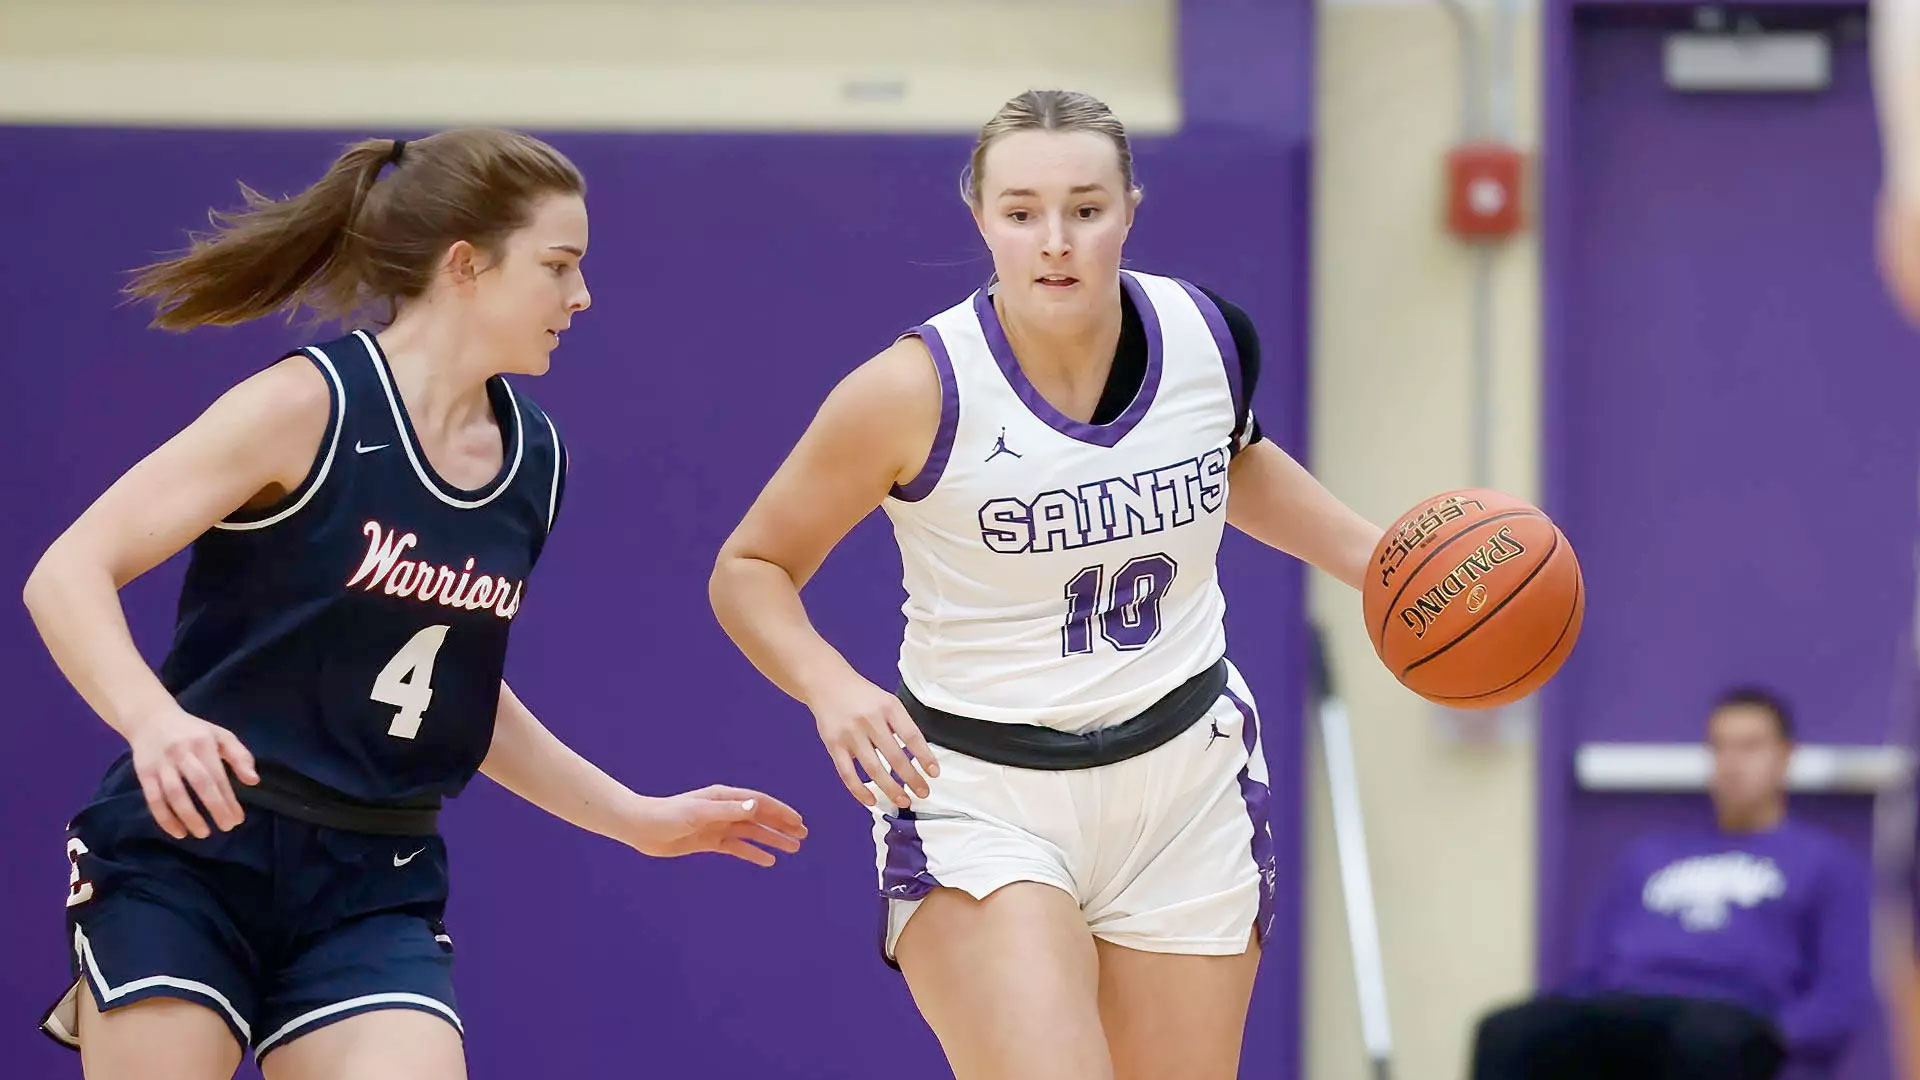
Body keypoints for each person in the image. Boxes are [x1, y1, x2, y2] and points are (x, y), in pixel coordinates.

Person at [25, 129, 806, 1080]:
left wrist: (631, 818)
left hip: (373, 878)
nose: (582, 296)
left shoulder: (534, 460)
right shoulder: (308, 406)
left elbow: (459, 688)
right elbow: (67, 573)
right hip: (195, 851)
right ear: (466, 265)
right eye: (559, 266)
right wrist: (154, 721)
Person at [709, 89, 1381, 1079]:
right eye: (1022, 213)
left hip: (1185, 776)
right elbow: (750, 568)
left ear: (1130, 210)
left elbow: (1229, 462)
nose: (1054, 240)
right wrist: (832, 685)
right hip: (982, 789)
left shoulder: (1208, 337)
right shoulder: (911, 389)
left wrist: (1377, 561)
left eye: (1085, 208)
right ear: (980, 218)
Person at [1469, 688, 1873, 1080]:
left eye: (1750, 747)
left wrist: (1773, 1036)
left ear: (1785, 756)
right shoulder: (1647, 856)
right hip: (1627, 1009)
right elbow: (1588, 973)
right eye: (1720, 747)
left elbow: (1838, 999)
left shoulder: (1826, 863)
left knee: (1710, 1040)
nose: (1732, 763)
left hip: (1730, 1017)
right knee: (1507, 1032)